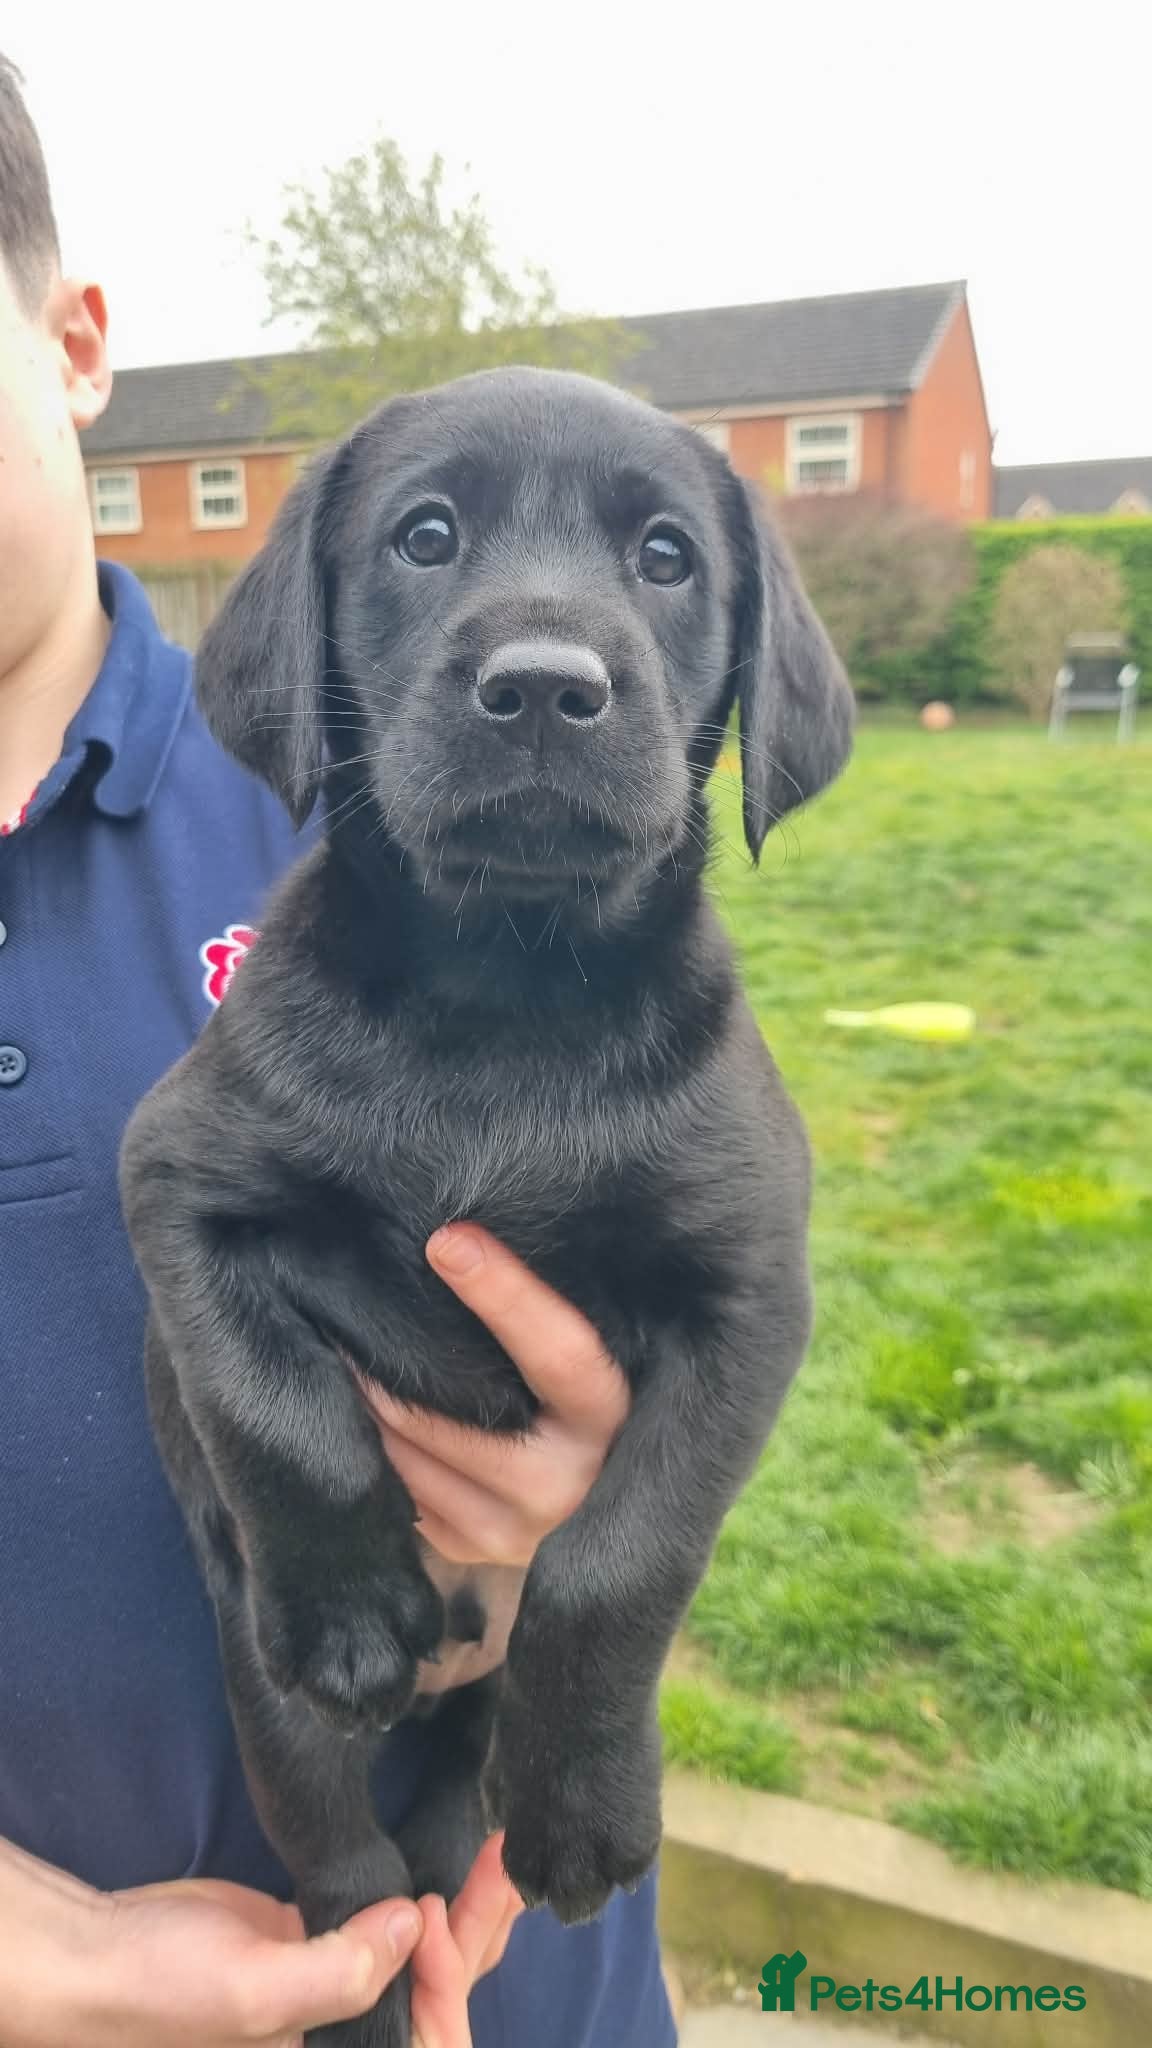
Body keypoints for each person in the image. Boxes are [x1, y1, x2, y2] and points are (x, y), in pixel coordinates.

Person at [0, 55, 676, 2048]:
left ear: (76, 339)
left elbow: (678, 1299)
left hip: (482, 1985)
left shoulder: (406, 802)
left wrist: (584, 1498)